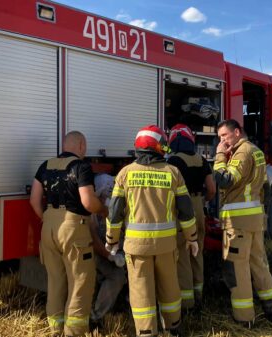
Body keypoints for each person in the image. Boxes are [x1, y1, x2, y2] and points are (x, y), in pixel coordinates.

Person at [105, 125, 198, 337]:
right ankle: (173, 327)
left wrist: (111, 241)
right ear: (159, 147)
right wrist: (192, 237)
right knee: (170, 286)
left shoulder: (125, 174)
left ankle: (147, 332)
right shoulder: (173, 172)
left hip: (137, 248)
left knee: (141, 291)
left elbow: (115, 212)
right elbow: (185, 210)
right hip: (166, 245)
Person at [30, 131, 108, 337]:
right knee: (80, 282)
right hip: (73, 228)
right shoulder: (81, 167)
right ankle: (74, 332)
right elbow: (88, 202)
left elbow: (34, 200)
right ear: (81, 145)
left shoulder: (45, 165)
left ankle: (55, 329)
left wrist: (46, 219)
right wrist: (104, 210)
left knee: (55, 280)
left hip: (48, 227)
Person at [213, 120, 272, 327]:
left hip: (238, 223)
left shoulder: (242, 152)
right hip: (254, 221)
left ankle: (244, 319)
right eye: (219, 138)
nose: (222, 141)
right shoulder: (257, 152)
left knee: (237, 269)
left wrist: (218, 156)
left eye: (224, 136)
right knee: (259, 264)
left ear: (237, 132)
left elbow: (225, 179)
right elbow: (265, 188)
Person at [166, 124, 216, 309]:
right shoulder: (202, 160)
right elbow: (211, 189)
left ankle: (187, 303)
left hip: (181, 209)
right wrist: (202, 202)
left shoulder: (173, 161)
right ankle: (199, 294)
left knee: (183, 255)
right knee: (197, 252)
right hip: (198, 206)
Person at [89, 173, 127, 330]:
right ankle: (95, 317)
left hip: (113, 253)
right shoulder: (91, 212)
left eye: (112, 192)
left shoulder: (118, 208)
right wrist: (111, 257)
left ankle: (125, 304)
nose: (110, 196)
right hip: (96, 254)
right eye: (106, 193)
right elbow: (93, 241)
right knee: (116, 277)